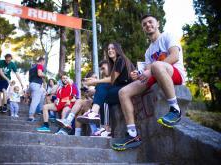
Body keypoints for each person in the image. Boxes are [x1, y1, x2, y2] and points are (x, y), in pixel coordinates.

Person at [112, 14, 186, 151]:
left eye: (150, 22)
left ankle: (175, 110)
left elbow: (175, 56)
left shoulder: (167, 36)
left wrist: (151, 69)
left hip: (175, 72)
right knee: (123, 92)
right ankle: (132, 135)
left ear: (157, 23)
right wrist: (138, 74)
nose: (148, 25)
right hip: (157, 73)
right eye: (144, 24)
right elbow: (147, 71)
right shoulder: (148, 51)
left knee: (157, 65)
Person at [77, 42, 135, 125]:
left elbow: (112, 79)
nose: (110, 50)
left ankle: (94, 114)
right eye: (108, 49)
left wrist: (95, 81)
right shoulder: (114, 64)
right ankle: (104, 128)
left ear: (118, 50)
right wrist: (92, 81)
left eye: (113, 48)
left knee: (101, 88)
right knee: (101, 94)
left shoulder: (120, 59)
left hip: (128, 89)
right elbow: (113, 81)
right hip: (121, 89)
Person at [28, 57, 45, 121]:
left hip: (32, 84)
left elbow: (29, 79)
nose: (43, 64)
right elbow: (39, 74)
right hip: (37, 85)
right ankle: (31, 116)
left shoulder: (32, 68)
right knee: (35, 101)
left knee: (43, 93)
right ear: (42, 61)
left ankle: (37, 111)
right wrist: (44, 75)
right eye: (44, 62)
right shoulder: (39, 65)